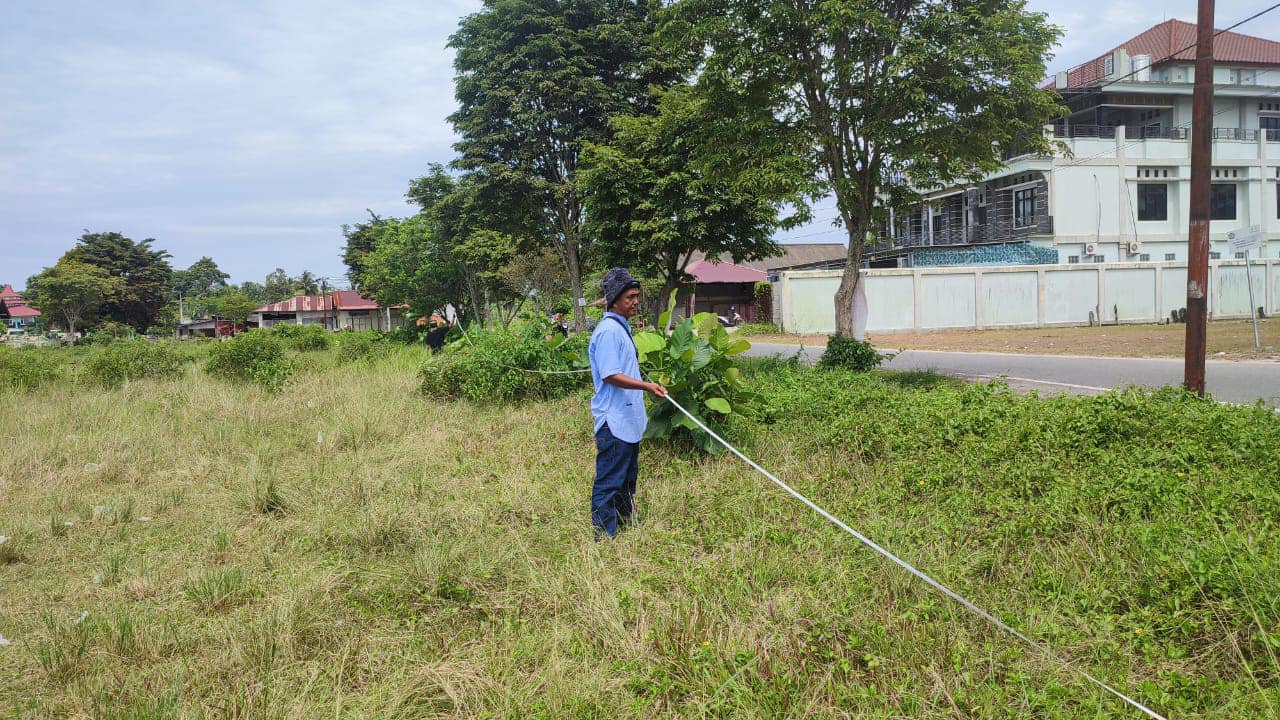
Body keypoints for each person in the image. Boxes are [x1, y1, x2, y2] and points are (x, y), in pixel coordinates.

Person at [589, 268, 666, 538]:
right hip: (614, 420)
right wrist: (646, 386)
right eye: (630, 297)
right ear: (614, 299)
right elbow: (611, 375)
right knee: (610, 480)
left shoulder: (620, 328)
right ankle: (604, 535)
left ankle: (624, 523)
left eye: (636, 297)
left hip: (628, 418)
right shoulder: (609, 331)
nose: (635, 302)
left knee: (627, 479)